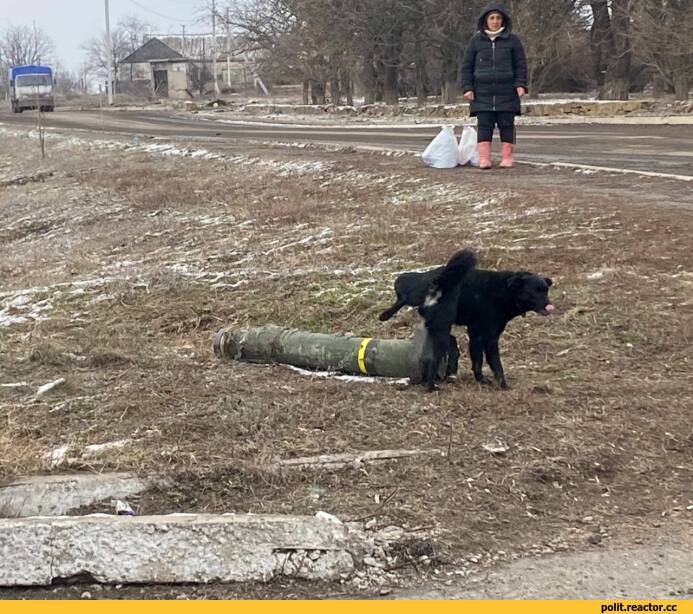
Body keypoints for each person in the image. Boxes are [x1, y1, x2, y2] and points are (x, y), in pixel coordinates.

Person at [460, 3, 527, 169]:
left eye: (498, 18)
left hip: (507, 91)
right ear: (485, 21)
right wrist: (467, 88)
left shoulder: (513, 40)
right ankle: (485, 159)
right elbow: (466, 66)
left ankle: (507, 157)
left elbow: (520, 65)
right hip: (482, 92)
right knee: (484, 126)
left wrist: (520, 84)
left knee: (507, 125)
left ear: (503, 20)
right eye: (492, 18)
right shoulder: (475, 41)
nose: (495, 21)